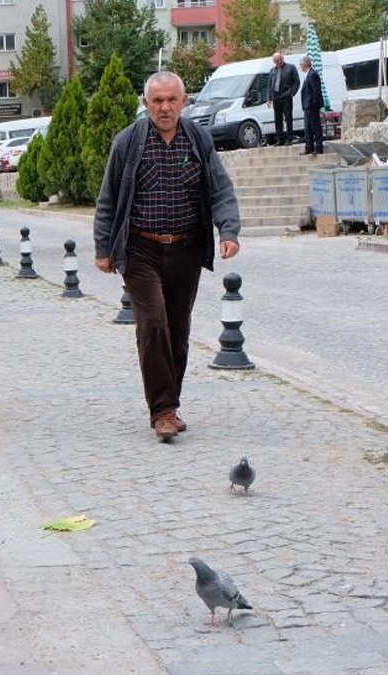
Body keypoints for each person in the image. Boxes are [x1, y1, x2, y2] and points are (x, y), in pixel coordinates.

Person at [93, 71, 241, 441]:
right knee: (152, 324)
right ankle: (163, 410)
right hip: (139, 247)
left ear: (184, 101)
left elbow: (220, 190)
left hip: (186, 248)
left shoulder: (198, 139)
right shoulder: (128, 142)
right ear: (146, 104)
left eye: (171, 100)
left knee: (178, 330)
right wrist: (102, 248)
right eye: (157, 101)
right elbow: (108, 198)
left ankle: (169, 403)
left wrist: (228, 231)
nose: (164, 107)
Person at [267, 52, 300, 146]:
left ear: (283, 58)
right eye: (276, 61)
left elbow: (296, 82)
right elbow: (269, 85)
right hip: (276, 97)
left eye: (280, 59)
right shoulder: (272, 71)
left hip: (286, 96)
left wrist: (292, 93)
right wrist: (269, 98)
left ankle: (289, 138)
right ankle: (280, 139)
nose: (279, 62)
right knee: (277, 119)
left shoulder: (291, 68)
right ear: (274, 62)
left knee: (288, 118)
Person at [299, 56, 324, 156]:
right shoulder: (307, 74)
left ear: (305, 64)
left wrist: (313, 104)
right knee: (307, 128)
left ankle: (318, 148)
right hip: (307, 106)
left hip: (312, 106)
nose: (300, 66)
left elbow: (316, 91)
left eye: (301, 64)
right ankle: (308, 147)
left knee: (315, 127)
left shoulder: (313, 74)